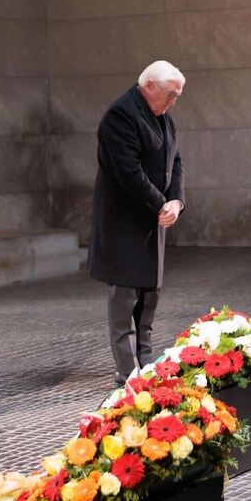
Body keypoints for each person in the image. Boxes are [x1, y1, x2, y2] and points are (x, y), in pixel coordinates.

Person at [89, 61, 186, 383]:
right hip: (124, 223)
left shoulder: (163, 116)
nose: (174, 101)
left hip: (153, 219)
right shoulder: (121, 115)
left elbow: (176, 162)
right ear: (149, 87)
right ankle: (127, 371)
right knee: (125, 300)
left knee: (149, 298)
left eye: (177, 96)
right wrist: (161, 203)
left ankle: (147, 364)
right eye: (170, 95)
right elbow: (128, 171)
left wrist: (176, 201)